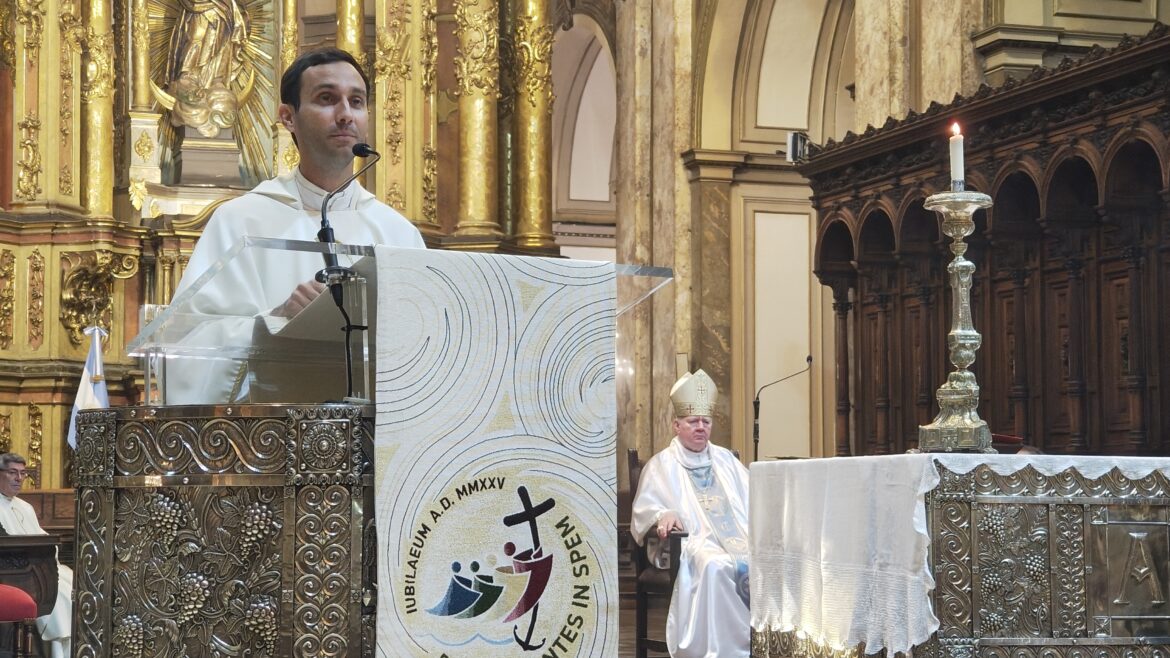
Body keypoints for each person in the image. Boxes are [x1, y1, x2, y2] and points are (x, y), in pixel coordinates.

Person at [165, 47, 425, 404]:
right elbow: (185, 346)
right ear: (288, 118)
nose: (345, 114)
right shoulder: (240, 221)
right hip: (271, 439)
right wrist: (276, 320)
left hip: (378, 442)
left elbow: (427, 345)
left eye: (357, 101)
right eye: (327, 99)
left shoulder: (397, 234)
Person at [631, 369, 750, 658]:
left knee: (765, 562)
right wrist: (664, 515)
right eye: (692, 421)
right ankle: (716, 650)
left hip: (738, 540)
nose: (700, 427)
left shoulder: (727, 460)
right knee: (715, 566)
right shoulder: (662, 464)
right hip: (690, 543)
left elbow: (754, 499)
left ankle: (755, 648)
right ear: (676, 425)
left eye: (705, 422)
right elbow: (646, 509)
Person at [0, 454, 72, 658]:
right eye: (13, 472)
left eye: (23, 473)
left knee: (76, 587)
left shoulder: (25, 507)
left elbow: (43, 538)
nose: (19, 478)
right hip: (15, 573)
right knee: (61, 595)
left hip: (38, 566)